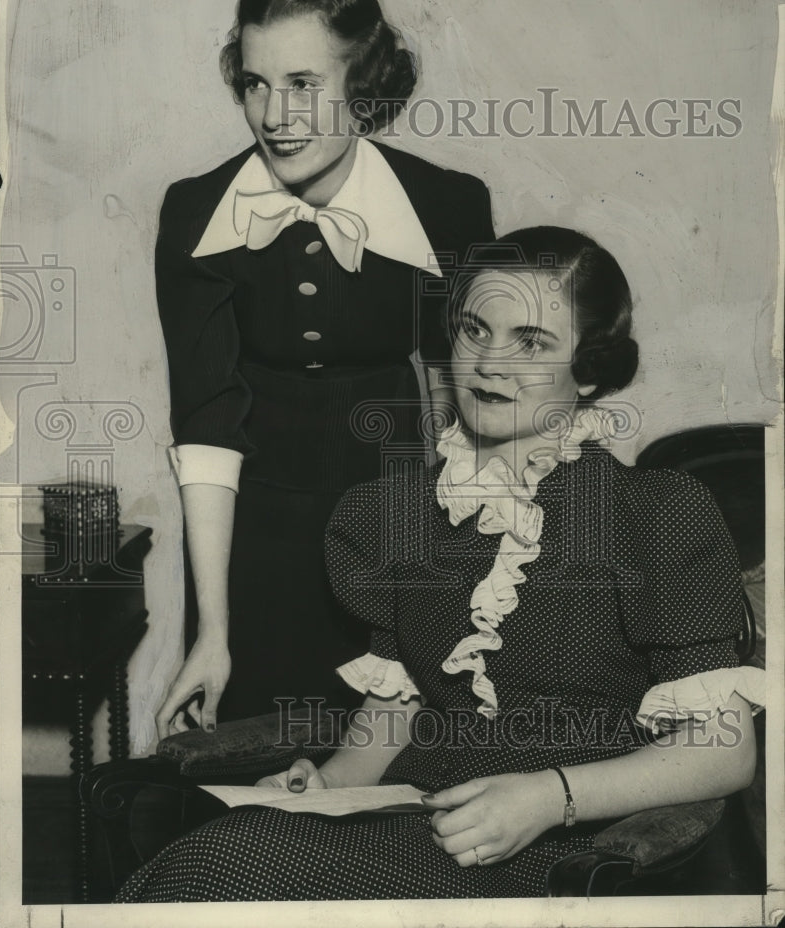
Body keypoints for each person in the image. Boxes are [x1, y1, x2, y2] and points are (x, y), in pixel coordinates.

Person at [119, 226, 764, 901]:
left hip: (559, 853)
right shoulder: (397, 513)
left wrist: (551, 798)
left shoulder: (652, 514)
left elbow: (724, 748)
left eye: (532, 342)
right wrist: (330, 783)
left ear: (589, 367)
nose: (490, 363)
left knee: (225, 872)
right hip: (414, 823)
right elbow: (396, 707)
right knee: (219, 855)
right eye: (474, 330)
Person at [154, 0, 495, 732]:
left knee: (406, 754)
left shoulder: (448, 205)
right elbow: (205, 427)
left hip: (406, 512)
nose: (275, 115)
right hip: (253, 529)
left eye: (304, 82)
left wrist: (454, 560)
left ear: (364, 82)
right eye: (255, 83)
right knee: (254, 750)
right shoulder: (194, 213)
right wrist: (214, 632)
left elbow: (472, 400)